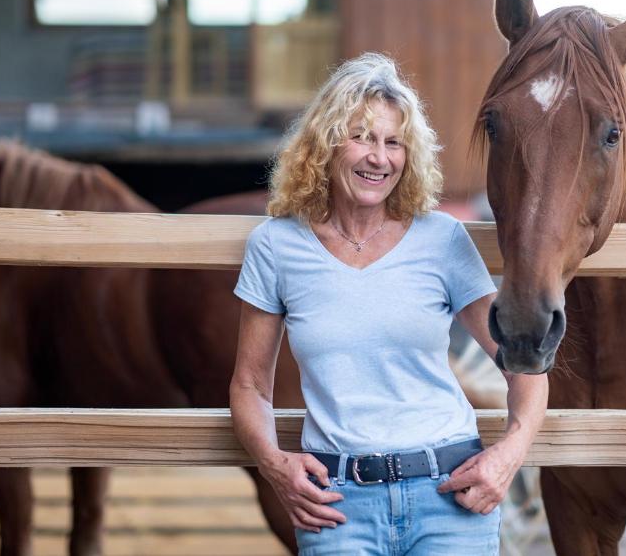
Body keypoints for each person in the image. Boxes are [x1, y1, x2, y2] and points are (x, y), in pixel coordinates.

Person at [229, 52, 548, 555]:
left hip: (450, 497)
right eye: (362, 137)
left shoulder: (442, 239)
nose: (380, 157)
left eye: (394, 142)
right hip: (336, 504)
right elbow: (250, 385)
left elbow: (523, 365)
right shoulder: (276, 246)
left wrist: (509, 454)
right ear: (327, 144)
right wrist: (274, 464)